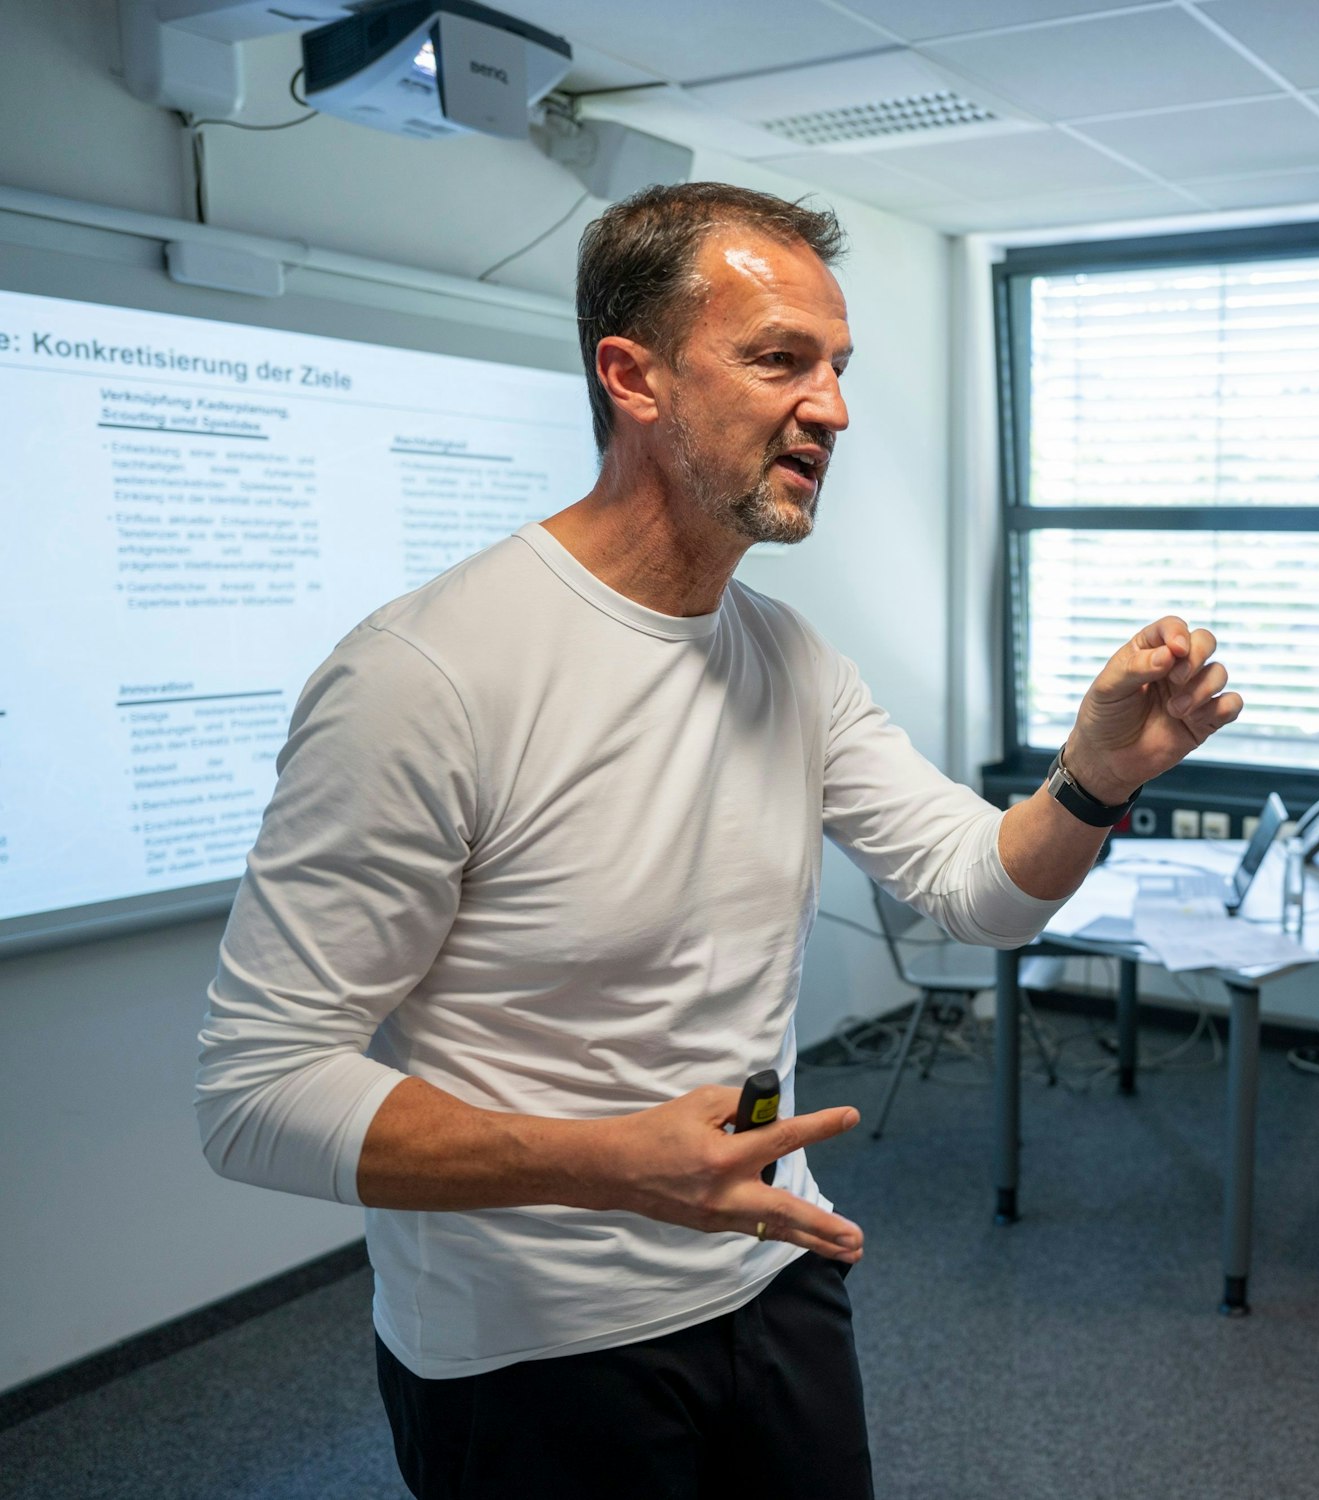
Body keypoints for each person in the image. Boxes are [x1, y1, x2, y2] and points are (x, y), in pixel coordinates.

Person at [194, 183, 1243, 1499]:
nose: (834, 408)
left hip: (773, 1269)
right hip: (531, 1352)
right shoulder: (428, 674)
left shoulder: (785, 661)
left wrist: (1091, 782)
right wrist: (608, 1165)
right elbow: (253, 1093)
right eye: (779, 361)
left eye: (839, 368)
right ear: (630, 377)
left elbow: (977, 893)